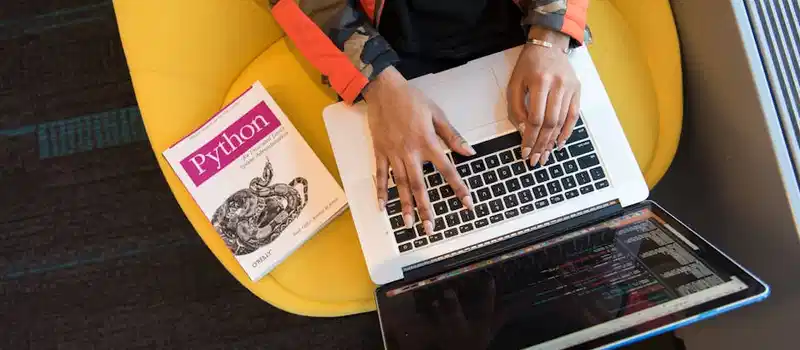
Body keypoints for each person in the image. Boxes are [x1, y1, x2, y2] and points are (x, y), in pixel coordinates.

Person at [264, 0, 590, 235]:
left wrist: (551, 33)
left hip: (522, 28)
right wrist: (375, 79)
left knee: (581, 217)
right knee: (431, 239)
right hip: (386, 53)